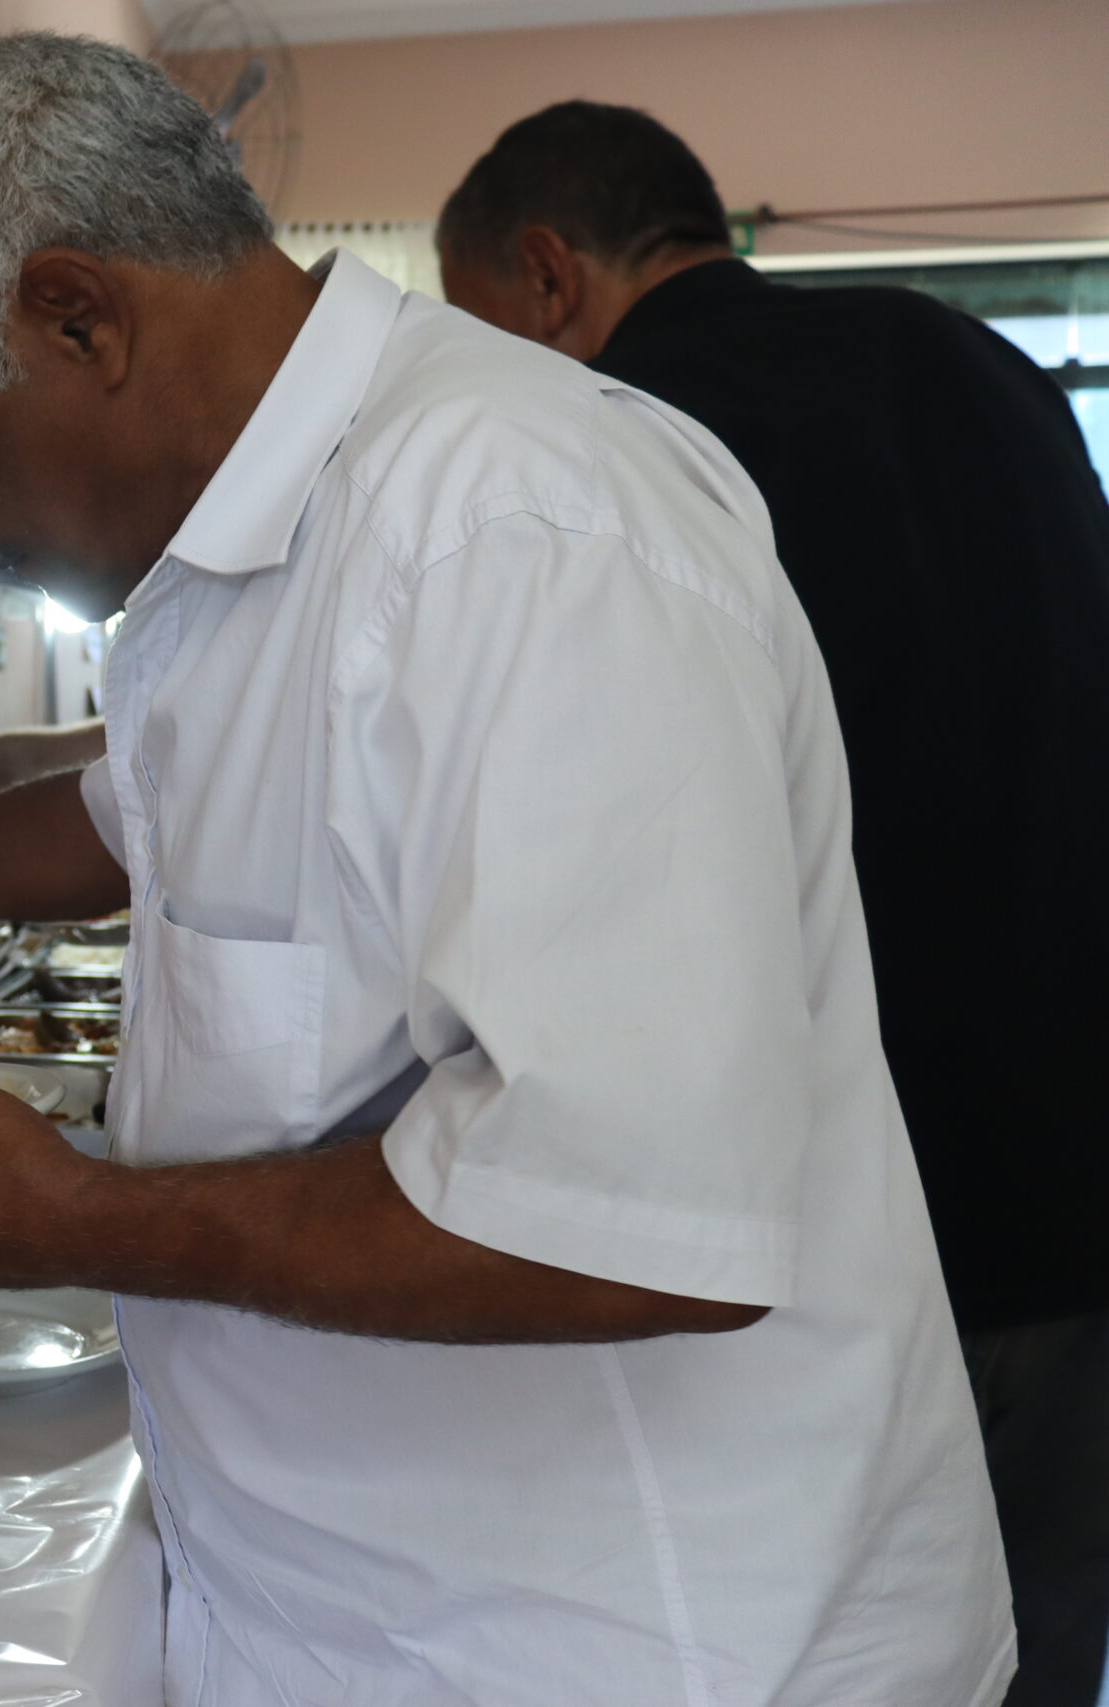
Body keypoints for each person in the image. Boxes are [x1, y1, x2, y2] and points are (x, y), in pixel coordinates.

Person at [0, 33, 1012, 1705]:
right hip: (348, 1604)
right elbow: (152, 813)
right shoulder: (233, 543)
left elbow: (632, 1230)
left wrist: (85, 1221)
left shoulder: (524, 532)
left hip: (629, 1641)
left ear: (81, 316)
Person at [437, 100, 1109, 1707]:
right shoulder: (976, 364)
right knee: (1049, 1639)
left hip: (873, 1206)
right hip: (1085, 1159)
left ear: (543, 275)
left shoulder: (621, 451)